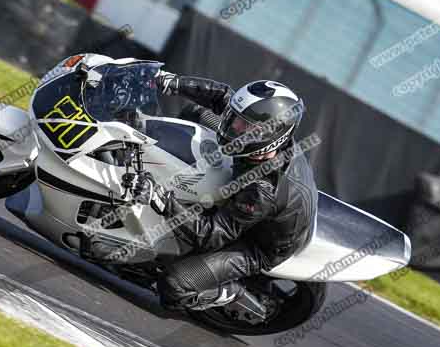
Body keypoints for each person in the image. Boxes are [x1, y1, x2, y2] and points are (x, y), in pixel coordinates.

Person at [84, 64, 318, 312]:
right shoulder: (261, 136)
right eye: (235, 120)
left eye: (243, 126)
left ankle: (230, 293)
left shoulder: (262, 190)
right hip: (256, 197)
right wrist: (171, 82)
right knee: (194, 112)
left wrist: (162, 200)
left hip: (256, 244)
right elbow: (221, 96)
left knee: (174, 285)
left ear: (269, 135)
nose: (233, 127)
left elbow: (212, 234)